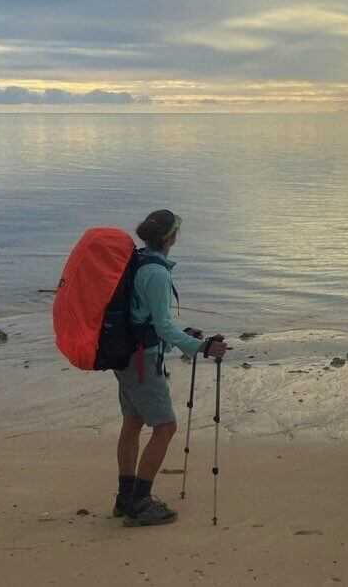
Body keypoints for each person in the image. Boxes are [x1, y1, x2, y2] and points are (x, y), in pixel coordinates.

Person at [113, 209, 229, 527]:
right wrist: (202, 347)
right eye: (177, 230)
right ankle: (140, 502)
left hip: (126, 356)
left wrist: (185, 336)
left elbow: (147, 317)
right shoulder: (158, 273)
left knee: (133, 422)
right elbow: (162, 326)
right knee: (165, 427)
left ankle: (125, 498)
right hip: (143, 360)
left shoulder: (137, 260)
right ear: (170, 237)